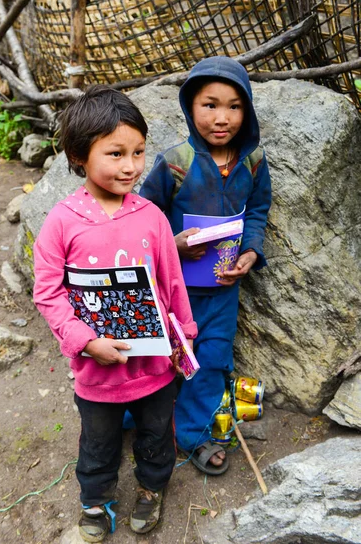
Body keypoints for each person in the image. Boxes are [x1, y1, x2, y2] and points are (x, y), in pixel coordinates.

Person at [33, 85, 197, 542]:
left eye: (139, 151)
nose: (130, 166)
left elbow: (172, 283)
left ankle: (151, 488)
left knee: (155, 432)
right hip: (96, 369)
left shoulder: (152, 218)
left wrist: (184, 333)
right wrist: (85, 341)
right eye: (116, 153)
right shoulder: (61, 223)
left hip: (154, 363)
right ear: (79, 155)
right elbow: (48, 293)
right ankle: (96, 499)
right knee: (98, 441)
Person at [140, 56, 271, 475]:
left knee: (213, 357)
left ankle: (194, 435)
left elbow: (257, 210)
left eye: (234, 106)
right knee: (166, 357)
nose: (222, 117)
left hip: (224, 290)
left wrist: (251, 252)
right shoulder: (175, 162)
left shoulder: (253, 162)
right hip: (174, 290)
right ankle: (135, 417)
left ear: (246, 110)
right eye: (209, 105)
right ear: (189, 106)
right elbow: (143, 217)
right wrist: (172, 245)